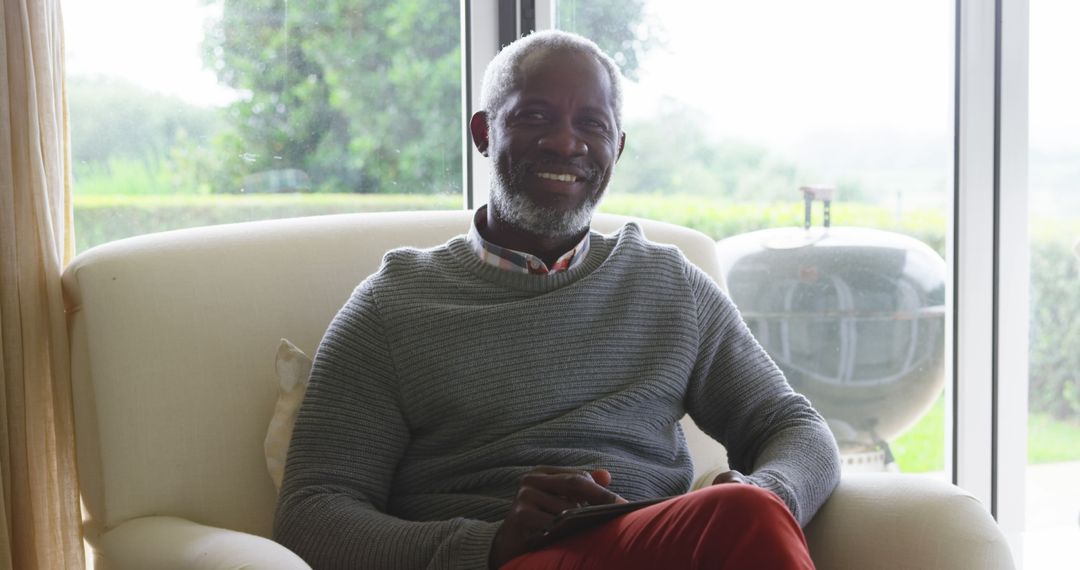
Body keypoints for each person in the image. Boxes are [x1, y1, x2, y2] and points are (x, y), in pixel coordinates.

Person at [274, 30, 841, 569]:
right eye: (534, 116)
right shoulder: (394, 305)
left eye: (590, 124)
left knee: (745, 511)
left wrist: (772, 493)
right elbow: (313, 514)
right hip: (502, 562)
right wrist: (491, 546)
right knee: (740, 518)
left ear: (616, 148)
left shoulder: (668, 285)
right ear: (483, 132)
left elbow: (793, 427)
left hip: (660, 544)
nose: (566, 142)